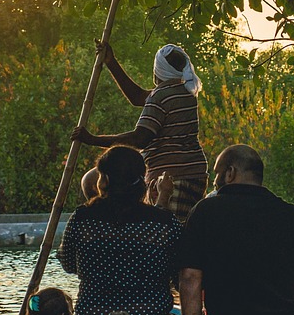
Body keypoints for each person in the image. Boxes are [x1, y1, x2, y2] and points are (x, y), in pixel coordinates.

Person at [178, 144, 294, 315]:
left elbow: (190, 277)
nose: (214, 183)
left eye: (216, 175)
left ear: (230, 173)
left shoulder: (204, 212)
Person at [57, 144, 184, 315]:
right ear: (141, 181)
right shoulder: (165, 223)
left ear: (104, 180)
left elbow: (68, 264)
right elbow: (178, 273)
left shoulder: (82, 218)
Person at [72, 42, 208, 223]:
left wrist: (92, 139)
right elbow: (137, 97)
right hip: (193, 174)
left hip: (173, 178)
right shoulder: (184, 92)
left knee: (166, 232)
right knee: (91, 179)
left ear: (157, 70)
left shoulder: (161, 96)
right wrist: (111, 63)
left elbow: (140, 139)